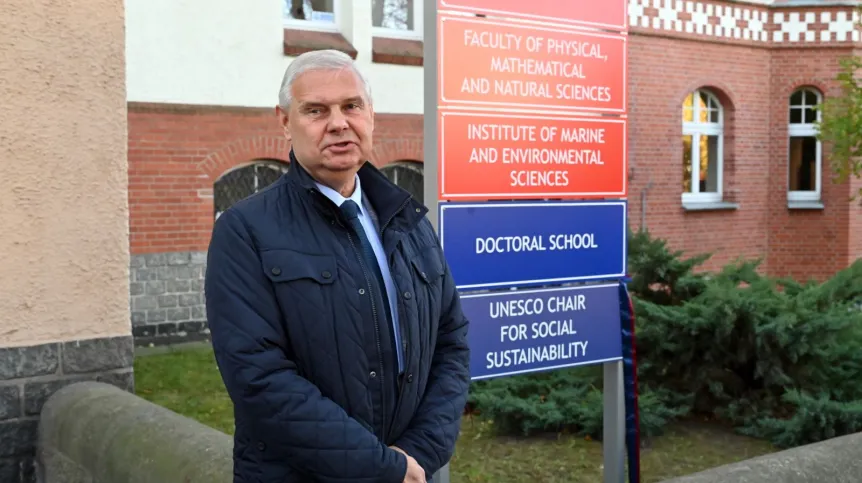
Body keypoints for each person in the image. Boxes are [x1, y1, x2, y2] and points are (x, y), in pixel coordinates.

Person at [204, 49, 471, 483]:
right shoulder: (246, 231)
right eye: (316, 110)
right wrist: (381, 469)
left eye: (352, 106)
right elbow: (259, 378)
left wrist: (416, 455)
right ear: (285, 122)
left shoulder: (408, 220)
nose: (338, 123)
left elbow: (452, 341)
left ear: (371, 115)